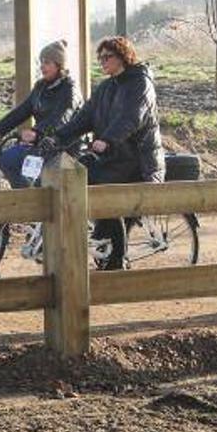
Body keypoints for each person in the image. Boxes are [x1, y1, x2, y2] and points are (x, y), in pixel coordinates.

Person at [47, 35, 164, 269]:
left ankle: (117, 260)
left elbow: (130, 118)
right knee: (84, 175)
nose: (102, 62)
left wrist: (107, 140)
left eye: (107, 57)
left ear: (123, 56)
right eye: (100, 58)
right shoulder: (106, 87)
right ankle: (104, 246)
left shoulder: (140, 84)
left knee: (104, 194)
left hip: (137, 160)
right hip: (114, 157)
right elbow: (84, 118)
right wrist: (57, 136)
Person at [0, 40, 81, 187]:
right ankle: (27, 197)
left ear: (59, 65)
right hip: (41, 144)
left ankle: (36, 199)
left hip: (63, 146)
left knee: (39, 177)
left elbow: (62, 116)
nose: (42, 66)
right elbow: (21, 111)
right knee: (7, 159)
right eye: (41, 62)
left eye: (47, 62)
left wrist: (37, 132)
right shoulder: (41, 87)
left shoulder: (70, 89)